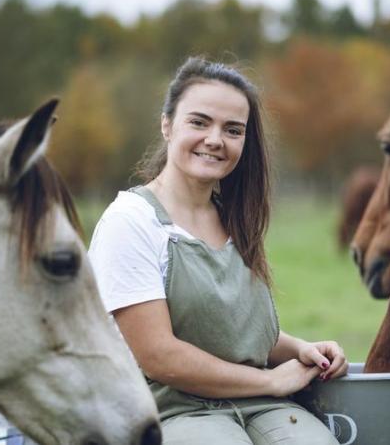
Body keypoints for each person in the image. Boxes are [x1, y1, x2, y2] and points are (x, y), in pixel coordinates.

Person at [88, 57, 347, 445]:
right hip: (168, 410)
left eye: (233, 130)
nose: (215, 139)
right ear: (166, 124)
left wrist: (302, 349)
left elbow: (231, 335)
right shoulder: (131, 222)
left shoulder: (236, 218)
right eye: (199, 122)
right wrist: (271, 380)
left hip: (259, 404)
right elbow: (160, 356)